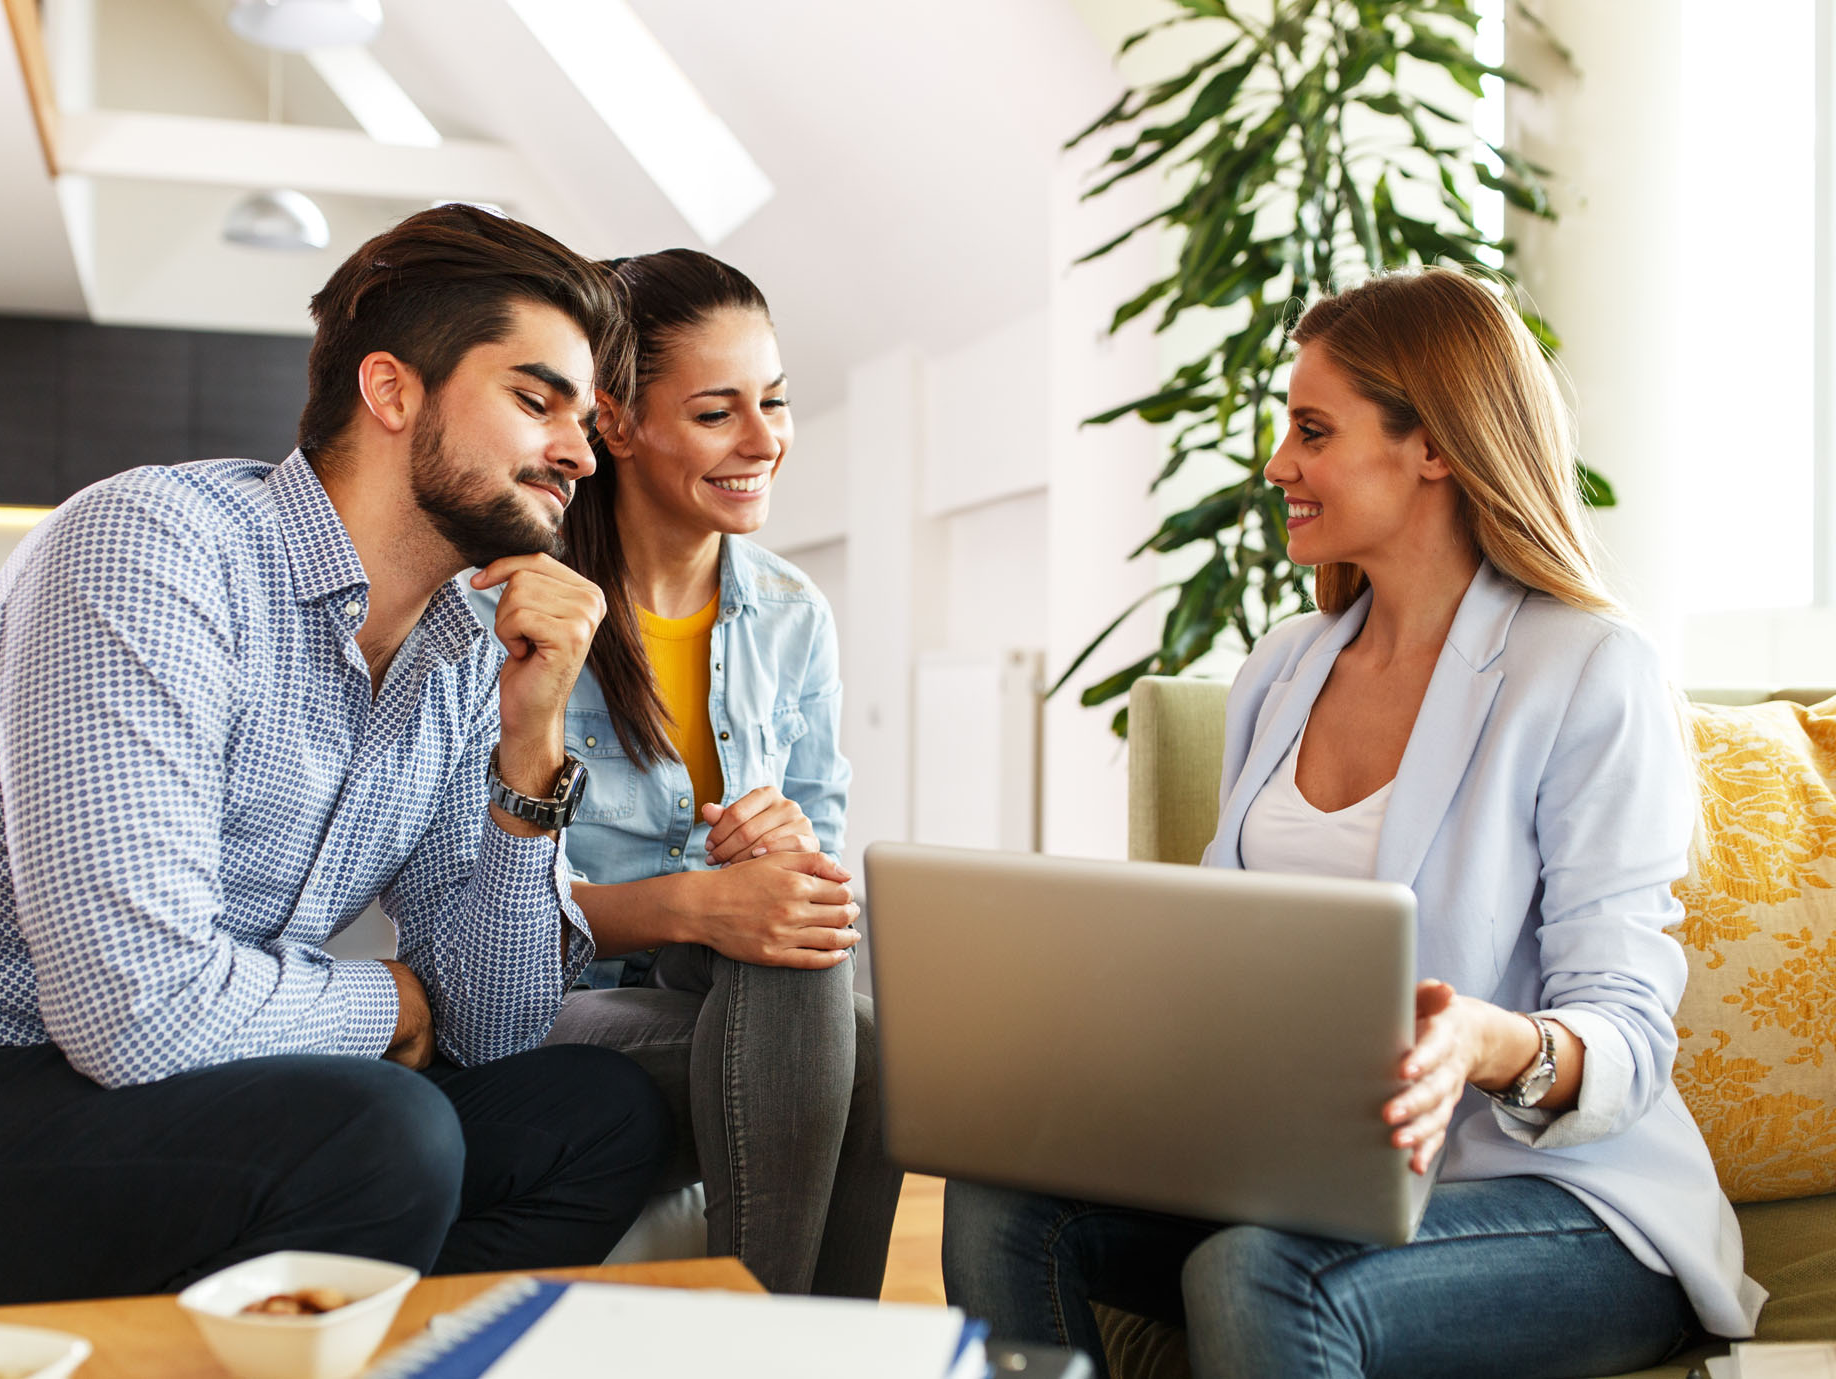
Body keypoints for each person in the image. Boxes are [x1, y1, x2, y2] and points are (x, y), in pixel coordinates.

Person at [0, 205, 674, 1315]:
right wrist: (385, 1002)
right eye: (535, 400)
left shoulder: (469, 650)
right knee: (383, 1134)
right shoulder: (153, 547)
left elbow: (493, 1025)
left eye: (583, 419)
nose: (577, 452)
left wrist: (531, 747)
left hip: (149, 1088)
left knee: (592, 1112)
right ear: (391, 392)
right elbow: (133, 1010)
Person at [942, 267, 1764, 1377]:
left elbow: (1626, 1030)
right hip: (1304, 1180)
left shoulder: (1583, 669)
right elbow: (1216, 956)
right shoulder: (1281, 667)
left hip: (1561, 1205)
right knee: (1003, 1192)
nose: (1277, 463)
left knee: (1254, 1268)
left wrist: (1482, 1041)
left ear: (1430, 444)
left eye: (1310, 429)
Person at [471, 249, 900, 1296]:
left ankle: (783, 1345)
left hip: (718, 997)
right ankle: (791, 1341)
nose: (763, 440)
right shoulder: (515, 609)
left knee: (814, 973)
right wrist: (701, 903)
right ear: (613, 423)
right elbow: (477, 912)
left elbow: (816, 870)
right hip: (537, 1005)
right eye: (718, 412)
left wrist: (785, 858)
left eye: (775, 401)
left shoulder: (792, 613)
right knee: (858, 1048)